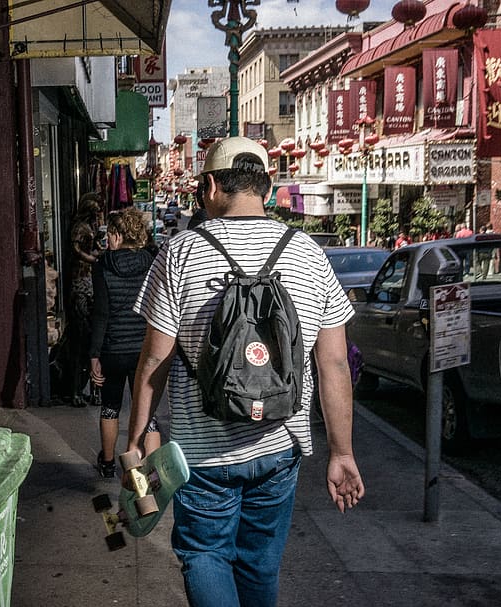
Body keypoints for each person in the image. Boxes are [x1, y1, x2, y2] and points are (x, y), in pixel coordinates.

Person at [127, 137, 364, 607]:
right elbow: (334, 361)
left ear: (211, 186)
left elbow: (155, 361)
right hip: (279, 446)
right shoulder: (308, 253)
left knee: (206, 555)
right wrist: (342, 452)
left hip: (203, 455)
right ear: (267, 187)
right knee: (259, 564)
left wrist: (136, 443)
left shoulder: (180, 253)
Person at [89, 208, 161, 477]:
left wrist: (94, 354)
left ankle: (107, 464)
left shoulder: (103, 265)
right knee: (148, 411)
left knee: (110, 406)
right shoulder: (153, 261)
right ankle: (152, 470)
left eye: (109, 234)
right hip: (146, 349)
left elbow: (101, 313)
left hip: (113, 349)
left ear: (118, 235)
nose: (107, 239)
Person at [64, 192, 103, 406]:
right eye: (96, 211)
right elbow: (76, 249)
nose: (99, 215)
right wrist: (93, 258)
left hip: (90, 283)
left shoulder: (91, 227)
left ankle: (92, 390)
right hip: (81, 282)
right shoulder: (80, 228)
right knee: (80, 342)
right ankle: (77, 390)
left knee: (91, 343)